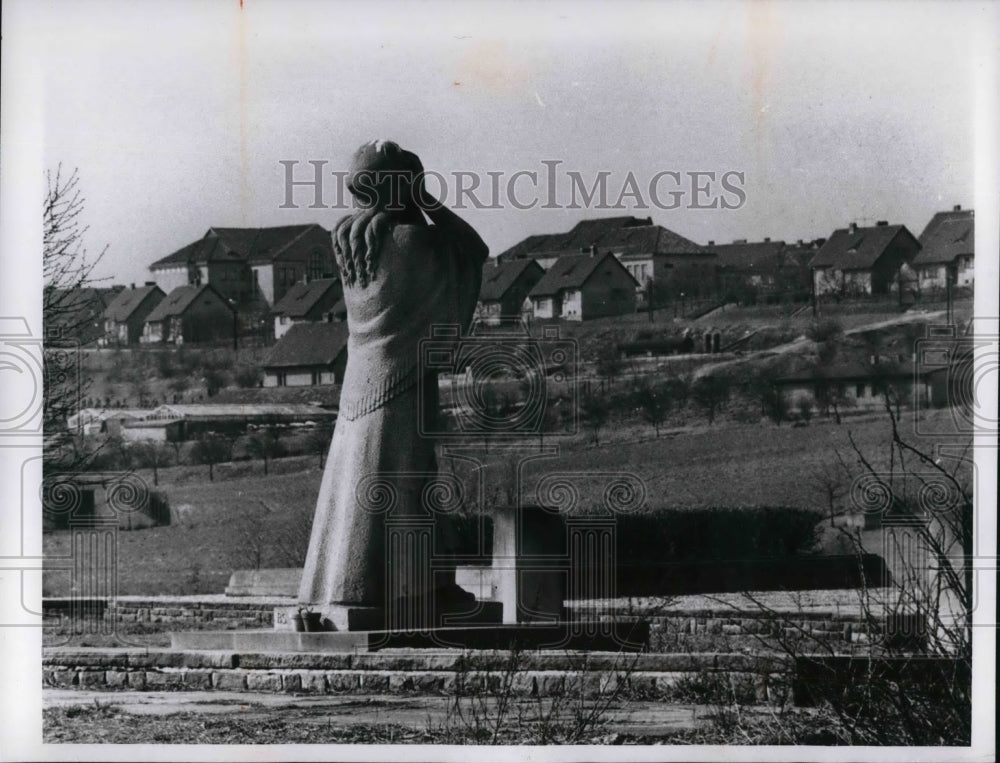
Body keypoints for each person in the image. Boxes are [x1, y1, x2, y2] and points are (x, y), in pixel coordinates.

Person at [297, 141, 488, 619]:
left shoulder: (352, 242)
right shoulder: (415, 241)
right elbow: (475, 250)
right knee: (406, 479)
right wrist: (426, 200)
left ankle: (343, 586)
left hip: (361, 382)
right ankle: (408, 592)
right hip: (405, 379)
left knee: (359, 479)